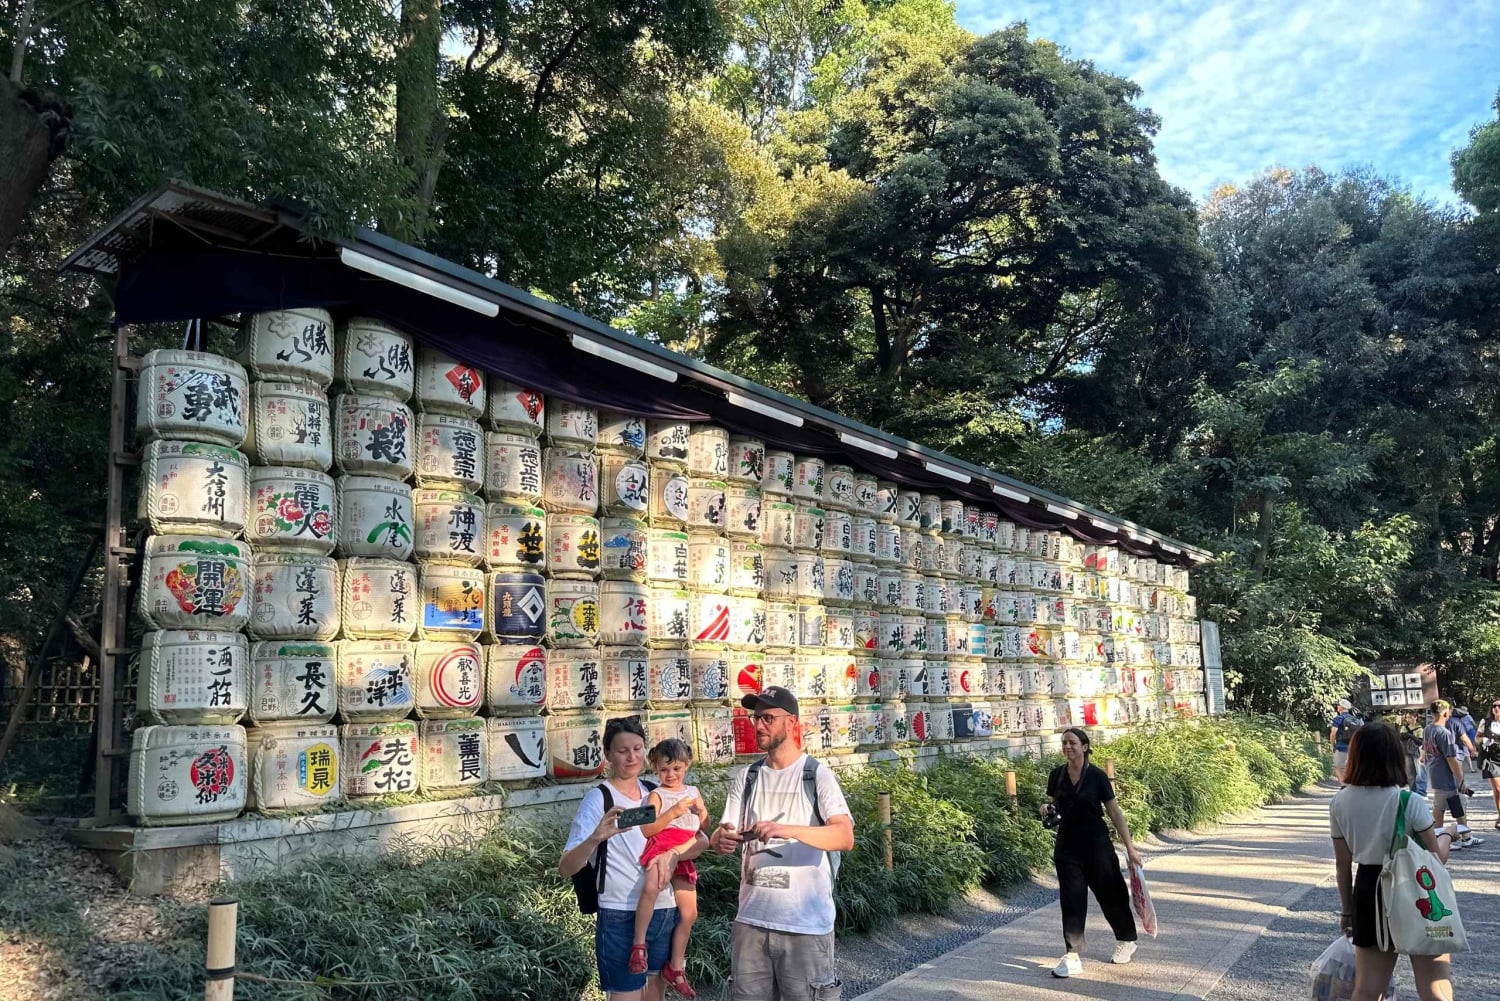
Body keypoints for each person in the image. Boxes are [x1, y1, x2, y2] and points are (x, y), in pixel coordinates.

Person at [710, 687, 854, 1001]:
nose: (759, 725)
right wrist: (719, 839)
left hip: (805, 925)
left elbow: (843, 837)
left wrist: (784, 829)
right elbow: (724, 831)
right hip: (750, 921)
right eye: (756, 718)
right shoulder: (746, 777)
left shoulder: (816, 775)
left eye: (768, 718)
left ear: (791, 723)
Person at [561, 717, 709, 1001]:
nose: (632, 757)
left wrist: (673, 854)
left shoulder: (659, 791)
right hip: (620, 914)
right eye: (622, 750)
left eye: (638, 748)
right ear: (607, 755)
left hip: (664, 910)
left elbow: (699, 841)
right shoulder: (599, 799)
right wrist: (596, 837)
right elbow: (566, 868)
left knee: (654, 995)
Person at [1330, 721, 1454, 1001]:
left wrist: (1347, 911)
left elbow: (1342, 863)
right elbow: (1435, 860)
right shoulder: (1407, 801)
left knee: (1367, 989)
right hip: (1414, 890)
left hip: (1368, 891)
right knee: (1435, 989)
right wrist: (1448, 834)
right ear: (1394, 756)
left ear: (1356, 756)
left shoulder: (1339, 802)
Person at [1041, 727, 1143, 979]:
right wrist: (1046, 808)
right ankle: (1072, 954)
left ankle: (1126, 938)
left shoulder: (1097, 776)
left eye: (1073, 743)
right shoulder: (1057, 774)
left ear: (1085, 747)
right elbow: (1055, 803)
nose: (1067, 747)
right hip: (1067, 844)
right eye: (1064, 743)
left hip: (1097, 843)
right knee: (1071, 898)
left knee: (1111, 894)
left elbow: (1114, 812)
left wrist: (1130, 848)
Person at [630, 739, 709, 999]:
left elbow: (704, 827)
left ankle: (675, 968)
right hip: (662, 845)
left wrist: (700, 810)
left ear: (686, 765)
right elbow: (646, 829)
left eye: (676, 768)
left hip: (685, 849)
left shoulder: (693, 791)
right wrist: (673, 812)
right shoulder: (656, 795)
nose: (671, 775)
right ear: (655, 769)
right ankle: (638, 944)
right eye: (664, 770)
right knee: (651, 889)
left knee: (690, 913)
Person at [1424, 701, 1482, 850]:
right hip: (1446, 776)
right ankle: (1443, 839)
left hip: (1435, 772)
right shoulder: (1444, 733)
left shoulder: (1428, 729)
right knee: (1442, 808)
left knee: (1454, 803)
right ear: (1445, 713)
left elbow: (1425, 750)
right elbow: (1451, 758)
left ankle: (1465, 836)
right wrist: (1461, 779)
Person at [1477, 699, 1500, 831]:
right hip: (1491, 758)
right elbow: (1477, 737)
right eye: (1494, 706)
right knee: (1498, 789)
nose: (1496, 708)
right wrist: (1483, 740)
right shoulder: (1485, 722)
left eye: (1499, 706)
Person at [1396, 710, 1428, 797]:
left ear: (1415, 717)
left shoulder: (1419, 728)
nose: (1408, 719)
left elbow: (1421, 742)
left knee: (1420, 773)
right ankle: (1413, 790)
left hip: (1417, 752)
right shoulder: (1404, 727)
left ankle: (1421, 791)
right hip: (1406, 752)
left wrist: (1411, 736)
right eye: (1407, 717)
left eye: (1410, 717)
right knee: (1410, 773)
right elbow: (1400, 737)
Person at [1330, 698, 1359, 782]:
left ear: (1341, 707)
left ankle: (1344, 786)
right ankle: (1352, 785)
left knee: (1337, 768)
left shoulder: (1338, 718)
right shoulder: (1355, 719)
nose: (1337, 707)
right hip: (1354, 748)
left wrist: (1332, 744)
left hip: (1341, 747)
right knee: (1352, 768)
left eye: (1338, 705)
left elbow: (1333, 733)